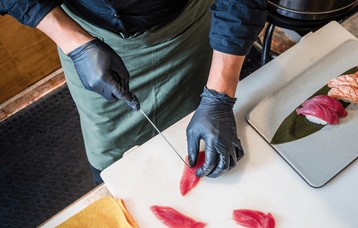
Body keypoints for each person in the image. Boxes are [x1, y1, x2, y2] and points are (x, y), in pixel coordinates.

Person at [0, 0, 267, 185]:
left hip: (187, 29)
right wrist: (72, 40)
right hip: (88, 36)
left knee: (194, 133)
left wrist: (219, 95)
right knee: (115, 160)